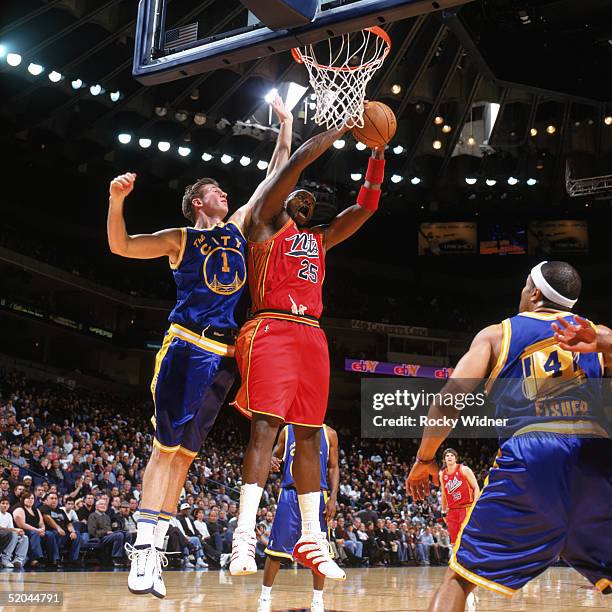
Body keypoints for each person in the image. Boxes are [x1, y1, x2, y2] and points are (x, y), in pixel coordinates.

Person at [107, 95, 293, 598]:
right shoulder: (180, 238)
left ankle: (158, 549)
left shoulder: (236, 229)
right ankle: (142, 550)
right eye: (215, 191)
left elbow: (273, 177)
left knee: (186, 456)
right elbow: (121, 247)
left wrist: (287, 125)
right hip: (188, 346)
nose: (225, 195)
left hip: (228, 356)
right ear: (198, 202)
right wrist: (116, 200)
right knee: (164, 449)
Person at [230, 110, 386, 577]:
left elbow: (366, 208)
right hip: (271, 328)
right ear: (281, 200)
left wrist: (377, 153)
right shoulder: (262, 225)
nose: (306, 200)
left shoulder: (319, 239)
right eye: (298, 195)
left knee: (309, 435)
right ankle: (242, 538)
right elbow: (296, 161)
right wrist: (340, 128)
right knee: (264, 429)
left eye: (311, 200)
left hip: (312, 335)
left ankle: (313, 538)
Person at [406, 261, 612, 611]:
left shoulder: (497, 335)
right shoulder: (595, 335)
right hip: (595, 457)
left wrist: (425, 459)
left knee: (460, 577)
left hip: (533, 452)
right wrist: (603, 341)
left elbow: (447, 402)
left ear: (533, 293)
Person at [258, 424, 339, 612]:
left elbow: (333, 467)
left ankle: (318, 600)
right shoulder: (287, 431)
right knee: (275, 551)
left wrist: (333, 497)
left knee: (319, 551)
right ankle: (264, 596)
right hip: (290, 494)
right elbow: (274, 456)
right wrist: (271, 460)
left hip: (318, 495)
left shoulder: (329, 434)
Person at [40, 492, 82, 567]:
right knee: (52, 533)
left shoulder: (61, 511)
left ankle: (73, 560)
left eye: (56, 498)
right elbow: (47, 518)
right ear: (46, 500)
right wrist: (58, 528)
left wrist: (73, 532)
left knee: (77, 535)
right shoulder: (43, 508)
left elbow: (68, 523)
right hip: (50, 533)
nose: (54, 500)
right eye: (51, 498)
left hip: (63, 534)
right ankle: (55, 559)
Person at [88, 498, 125, 567]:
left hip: (109, 536)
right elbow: (92, 532)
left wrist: (115, 527)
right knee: (119, 535)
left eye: (105, 504)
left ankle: (125, 557)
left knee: (126, 534)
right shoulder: (92, 516)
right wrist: (106, 532)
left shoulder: (107, 516)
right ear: (96, 506)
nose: (103, 505)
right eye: (101, 504)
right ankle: (116, 558)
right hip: (100, 537)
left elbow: (110, 529)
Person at [12, 491, 46, 567]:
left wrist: (42, 529)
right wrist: (37, 530)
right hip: (24, 531)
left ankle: (54, 558)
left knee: (50, 535)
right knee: (33, 534)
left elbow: (41, 522)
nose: (30, 500)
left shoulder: (36, 510)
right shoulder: (19, 509)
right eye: (28, 498)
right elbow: (22, 524)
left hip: (37, 531)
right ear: (23, 499)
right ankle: (35, 559)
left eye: (32, 498)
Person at [0, 498, 28, 569]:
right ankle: (5, 558)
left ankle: (18, 560)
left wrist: (19, 532)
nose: (5, 505)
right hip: (2, 534)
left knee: (24, 537)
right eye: (3, 503)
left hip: (7, 534)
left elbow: (11, 529)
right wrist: (15, 530)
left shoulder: (9, 515)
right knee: (14, 534)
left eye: (7, 504)